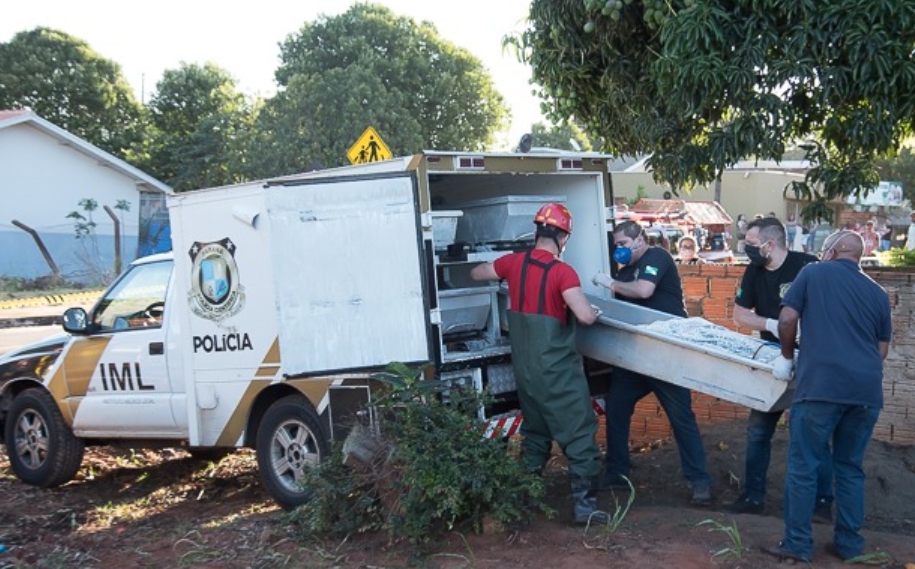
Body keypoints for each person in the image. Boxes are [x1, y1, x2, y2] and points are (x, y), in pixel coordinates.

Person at [470, 203, 607, 525]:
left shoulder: (513, 263)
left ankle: (521, 503)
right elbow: (585, 316)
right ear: (564, 238)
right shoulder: (562, 272)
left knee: (536, 435)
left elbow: (477, 273)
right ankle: (585, 509)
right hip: (558, 374)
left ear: (536, 233)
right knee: (579, 434)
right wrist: (591, 310)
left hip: (527, 373)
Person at [765, 230, 891, 563]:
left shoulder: (813, 273)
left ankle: (797, 543)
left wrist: (787, 357)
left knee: (803, 467)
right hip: (865, 393)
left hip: (821, 387)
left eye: (824, 250)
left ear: (833, 251)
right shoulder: (878, 293)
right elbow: (882, 349)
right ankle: (849, 545)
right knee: (850, 468)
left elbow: (787, 318)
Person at [592, 220, 713, 506]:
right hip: (635, 354)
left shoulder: (657, 257)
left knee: (680, 416)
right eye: (616, 245)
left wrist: (610, 283)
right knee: (617, 407)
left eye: (623, 244)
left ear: (639, 240)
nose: (619, 250)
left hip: (665, 352)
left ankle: (700, 481)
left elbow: (645, 290)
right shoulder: (625, 272)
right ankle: (617, 473)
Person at [724, 217, 834, 520]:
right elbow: (739, 315)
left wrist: (803, 331)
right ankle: (753, 496)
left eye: (751, 243)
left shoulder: (807, 266)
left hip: (810, 358)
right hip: (774, 358)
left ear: (770, 244)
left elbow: (828, 307)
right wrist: (772, 324)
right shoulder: (754, 270)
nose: (746, 248)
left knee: (810, 432)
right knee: (758, 430)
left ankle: (822, 502)